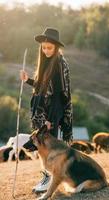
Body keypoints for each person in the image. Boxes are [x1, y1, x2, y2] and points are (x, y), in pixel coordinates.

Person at [20, 27, 73, 193]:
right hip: (41, 114)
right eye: (44, 47)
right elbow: (42, 87)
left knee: (50, 147)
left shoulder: (59, 64)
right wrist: (28, 80)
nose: (46, 50)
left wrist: (51, 119)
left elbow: (60, 96)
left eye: (49, 48)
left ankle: (51, 179)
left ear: (56, 48)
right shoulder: (46, 63)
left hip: (52, 114)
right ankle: (46, 177)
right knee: (42, 147)